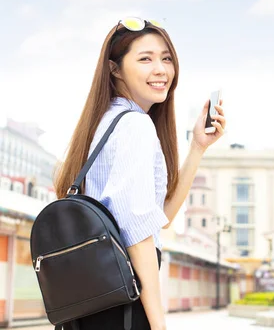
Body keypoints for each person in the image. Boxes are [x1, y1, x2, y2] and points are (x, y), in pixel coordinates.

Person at [54, 17, 225, 330]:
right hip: (122, 305)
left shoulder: (103, 123)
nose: (161, 69)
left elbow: (161, 217)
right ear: (114, 69)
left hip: (90, 306)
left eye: (166, 58)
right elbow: (139, 238)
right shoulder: (134, 125)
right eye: (145, 59)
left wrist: (197, 148)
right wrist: (158, 323)